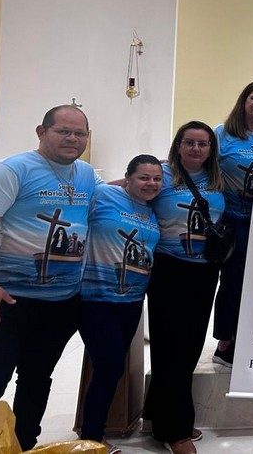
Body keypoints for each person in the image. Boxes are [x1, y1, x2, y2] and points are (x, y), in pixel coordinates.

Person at [0, 104, 98, 450]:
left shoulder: (85, 174)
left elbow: (113, 195)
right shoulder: (13, 170)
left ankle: (24, 443)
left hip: (61, 302)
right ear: (41, 132)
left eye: (79, 133)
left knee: (37, 378)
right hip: (9, 299)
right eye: (63, 131)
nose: (72, 139)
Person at [145, 121, 225, 454]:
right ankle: (175, 430)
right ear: (178, 145)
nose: (196, 149)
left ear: (211, 149)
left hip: (204, 272)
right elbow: (129, 190)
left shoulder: (218, 178)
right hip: (168, 269)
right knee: (170, 347)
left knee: (190, 347)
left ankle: (160, 416)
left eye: (203, 144)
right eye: (189, 142)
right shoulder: (161, 175)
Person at [79, 155, 163, 453]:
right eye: (143, 177)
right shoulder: (105, 195)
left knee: (111, 368)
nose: (151, 183)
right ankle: (91, 437)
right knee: (110, 365)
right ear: (127, 178)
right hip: (95, 298)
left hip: (131, 301)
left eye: (157, 178)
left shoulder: (152, 211)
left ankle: (94, 433)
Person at [212, 82, 253, 367]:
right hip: (232, 218)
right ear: (244, 101)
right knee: (232, 280)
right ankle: (224, 342)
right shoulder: (222, 134)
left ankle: (246, 337)